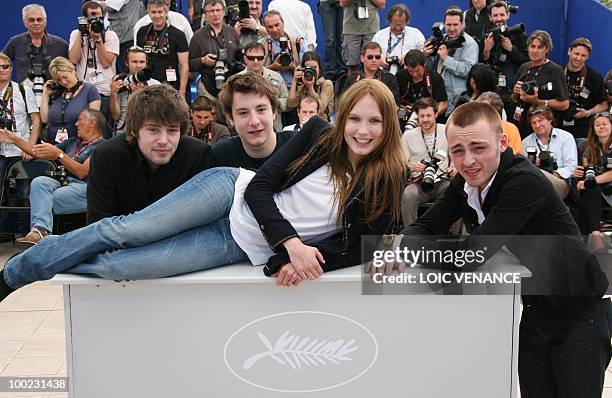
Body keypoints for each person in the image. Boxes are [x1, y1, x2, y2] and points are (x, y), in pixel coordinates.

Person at [0, 77, 406, 297]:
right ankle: (17, 273)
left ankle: (49, 258)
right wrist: (293, 245)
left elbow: (360, 249)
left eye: (374, 121)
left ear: (388, 126)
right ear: (343, 118)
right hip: (230, 192)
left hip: (243, 242)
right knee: (128, 231)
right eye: (355, 119)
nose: (363, 130)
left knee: (123, 266)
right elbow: (259, 187)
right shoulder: (318, 133)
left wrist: (292, 262)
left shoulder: (387, 180)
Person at [389, 100, 609, 398]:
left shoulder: (523, 182)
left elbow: (472, 256)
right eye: (458, 151)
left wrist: (414, 248)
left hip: (579, 314)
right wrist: (406, 243)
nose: (468, 161)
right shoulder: (466, 182)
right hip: (536, 314)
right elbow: (422, 227)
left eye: (478, 148)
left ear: (502, 142)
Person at [87, 84, 214, 223]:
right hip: (124, 243)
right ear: (135, 130)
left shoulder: (198, 155)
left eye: (172, 130)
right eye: (153, 130)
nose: (163, 141)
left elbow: (201, 220)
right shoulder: (106, 156)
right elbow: (99, 225)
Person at [0, 109, 105, 247]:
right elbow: (35, 152)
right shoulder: (73, 142)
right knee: (39, 182)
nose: (76, 124)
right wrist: (14, 139)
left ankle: (40, 234)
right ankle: (40, 232)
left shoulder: (102, 146)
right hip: (65, 185)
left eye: (80, 120)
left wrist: (60, 155)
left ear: (92, 123)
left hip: (86, 190)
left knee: (40, 200)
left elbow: (82, 172)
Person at [212, 73, 295, 170]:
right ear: (231, 118)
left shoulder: (300, 146)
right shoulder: (219, 156)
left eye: (261, 110)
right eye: (243, 113)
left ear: (274, 111)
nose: (254, 122)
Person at [401, 97, 456, 227]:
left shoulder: (447, 131)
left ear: (436, 114)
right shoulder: (408, 136)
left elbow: (454, 157)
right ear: (417, 117)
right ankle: (410, 237)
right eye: (422, 116)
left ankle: (453, 239)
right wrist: (413, 167)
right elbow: (401, 163)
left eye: (428, 115)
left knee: (454, 192)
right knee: (408, 195)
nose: (425, 119)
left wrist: (453, 167)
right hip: (419, 183)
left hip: (442, 180)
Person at [69, 1, 120, 139]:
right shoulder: (76, 34)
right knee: (82, 134)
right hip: (82, 93)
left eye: (99, 16)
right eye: (92, 16)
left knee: (102, 135)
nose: (97, 19)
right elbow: (73, 59)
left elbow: (105, 63)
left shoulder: (110, 36)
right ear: (85, 18)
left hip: (103, 92)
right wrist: (81, 32)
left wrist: (98, 40)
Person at [512, 30, 569, 138]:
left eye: (539, 47)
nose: (535, 51)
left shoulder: (555, 70)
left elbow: (565, 104)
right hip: (522, 124)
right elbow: (515, 98)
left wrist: (539, 102)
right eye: (532, 46)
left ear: (547, 49)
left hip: (544, 129)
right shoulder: (523, 67)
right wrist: (516, 93)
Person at [424, 6, 479, 116]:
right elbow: (428, 70)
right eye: (448, 25)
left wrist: (446, 59)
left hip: (457, 102)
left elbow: (469, 71)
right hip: (437, 98)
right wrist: (425, 56)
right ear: (444, 25)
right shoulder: (441, 40)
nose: (452, 28)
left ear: (462, 24)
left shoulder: (469, 44)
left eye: (455, 25)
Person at [480, 0, 528, 118]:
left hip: (513, 91)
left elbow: (527, 62)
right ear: (490, 17)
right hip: (492, 91)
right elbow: (480, 65)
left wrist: (512, 49)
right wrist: (486, 50)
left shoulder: (519, 35)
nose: (499, 18)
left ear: (508, 15)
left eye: (502, 15)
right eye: (495, 15)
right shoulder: (486, 37)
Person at [573, 112, 612, 252]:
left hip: (609, 190)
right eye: (597, 124)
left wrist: (593, 180)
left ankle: (585, 240)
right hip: (596, 191)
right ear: (593, 128)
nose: (601, 127)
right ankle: (595, 236)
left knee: (591, 187)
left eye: (605, 124)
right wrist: (578, 175)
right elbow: (587, 172)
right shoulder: (587, 147)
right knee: (590, 188)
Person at [1, 4, 68, 84]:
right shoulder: (15, 42)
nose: (36, 23)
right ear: (24, 22)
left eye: (39, 19)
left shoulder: (60, 44)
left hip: (54, 93)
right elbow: (2, 61)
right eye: (31, 20)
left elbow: (72, 69)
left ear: (45, 21)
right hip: (24, 93)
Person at [40, 57, 101, 144]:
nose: (63, 82)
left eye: (65, 77)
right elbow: (44, 119)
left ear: (72, 70)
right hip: (54, 143)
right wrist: (45, 94)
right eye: (59, 80)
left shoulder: (89, 90)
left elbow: (94, 121)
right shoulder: (57, 92)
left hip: (77, 144)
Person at [188, 0, 241, 100]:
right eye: (211, 11)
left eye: (218, 10)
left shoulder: (231, 31)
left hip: (232, 85)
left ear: (224, 12)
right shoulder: (198, 36)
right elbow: (190, 64)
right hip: (208, 86)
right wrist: (203, 61)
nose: (215, 14)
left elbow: (239, 54)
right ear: (206, 13)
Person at [521, 105, 577, 199]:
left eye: (540, 121)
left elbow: (571, 167)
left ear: (550, 119)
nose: (537, 125)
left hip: (560, 181)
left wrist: (553, 173)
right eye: (533, 123)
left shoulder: (566, 137)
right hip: (535, 182)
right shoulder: (526, 142)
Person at [136, 0, 189, 97]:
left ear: (166, 12)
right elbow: (137, 58)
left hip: (171, 85)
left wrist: (182, 92)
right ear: (148, 13)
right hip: (148, 84)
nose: (157, 16)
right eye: (153, 12)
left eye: (160, 12)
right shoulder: (142, 31)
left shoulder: (178, 34)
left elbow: (184, 65)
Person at [0, 52, 41, 175]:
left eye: (5, 66)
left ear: (11, 68)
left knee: (22, 192)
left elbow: (37, 121)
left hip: (21, 151)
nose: (1, 70)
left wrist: (30, 148)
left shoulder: (24, 90)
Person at [561, 38, 608, 140]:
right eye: (576, 54)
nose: (578, 58)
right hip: (559, 128)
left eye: (583, 56)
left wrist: (587, 113)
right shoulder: (558, 73)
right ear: (569, 51)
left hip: (583, 131)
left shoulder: (594, 77)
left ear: (588, 57)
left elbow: (603, 105)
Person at [108, 46, 161, 136]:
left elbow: (157, 114)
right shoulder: (120, 83)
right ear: (126, 63)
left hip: (147, 134)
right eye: (134, 62)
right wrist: (113, 93)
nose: (139, 66)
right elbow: (115, 116)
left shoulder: (155, 85)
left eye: (142, 62)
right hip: (123, 133)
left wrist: (143, 94)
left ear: (146, 64)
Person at [238, 42, 287, 131]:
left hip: (274, 128)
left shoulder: (276, 77)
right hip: (247, 128)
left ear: (265, 58)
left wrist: (273, 101)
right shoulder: (236, 80)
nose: (256, 61)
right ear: (245, 59)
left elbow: (287, 102)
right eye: (251, 58)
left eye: (259, 58)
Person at [396, 49, 448, 129]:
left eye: (418, 71)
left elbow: (443, 104)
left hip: (428, 115)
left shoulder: (434, 78)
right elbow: (394, 100)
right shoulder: (401, 75)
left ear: (425, 64)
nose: (414, 74)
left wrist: (431, 115)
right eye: (410, 71)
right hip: (405, 114)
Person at [371, 4, 425, 75]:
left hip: (408, 73)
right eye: (396, 22)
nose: (398, 25)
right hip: (383, 73)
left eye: (401, 22)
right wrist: (379, 58)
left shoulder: (416, 34)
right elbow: (370, 52)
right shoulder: (379, 35)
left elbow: (423, 52)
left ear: (406, 21)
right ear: (389, 20)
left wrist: (410, 57)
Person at [95, 0, 145, 74]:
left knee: (124, 72)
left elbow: (105, 6)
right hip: (117, 37)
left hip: (126, 38)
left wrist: (93, 2)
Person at [341, 42, 400, 106]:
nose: (374, 60)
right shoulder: (352, 78)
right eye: (370, 57)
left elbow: (395, 105)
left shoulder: (390, 78)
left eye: (377, 57)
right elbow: (344, 103)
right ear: (362, 58)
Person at [340, 0, 385, 76]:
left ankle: (374, 86)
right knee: (352, 65)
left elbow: (382, 4)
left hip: (371, 28)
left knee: (372, 63)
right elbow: (343, 3)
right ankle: (353, 86)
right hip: (351, 29)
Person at [287, 51, 334, 121]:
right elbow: (291, 104)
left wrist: (310, 87)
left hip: (322, 124)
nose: (311, 71)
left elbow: (321, 109)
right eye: (308, 68)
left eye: (314, 67)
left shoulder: (326, 84)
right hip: (304, 122)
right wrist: (294, 80)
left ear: (319, 68)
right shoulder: (303, 84)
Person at [317, 0, 345, 81]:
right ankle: (330, 70)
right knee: (330, 40)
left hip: (344, 3)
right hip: (326, 3)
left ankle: (342, 68)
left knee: (342, 39)